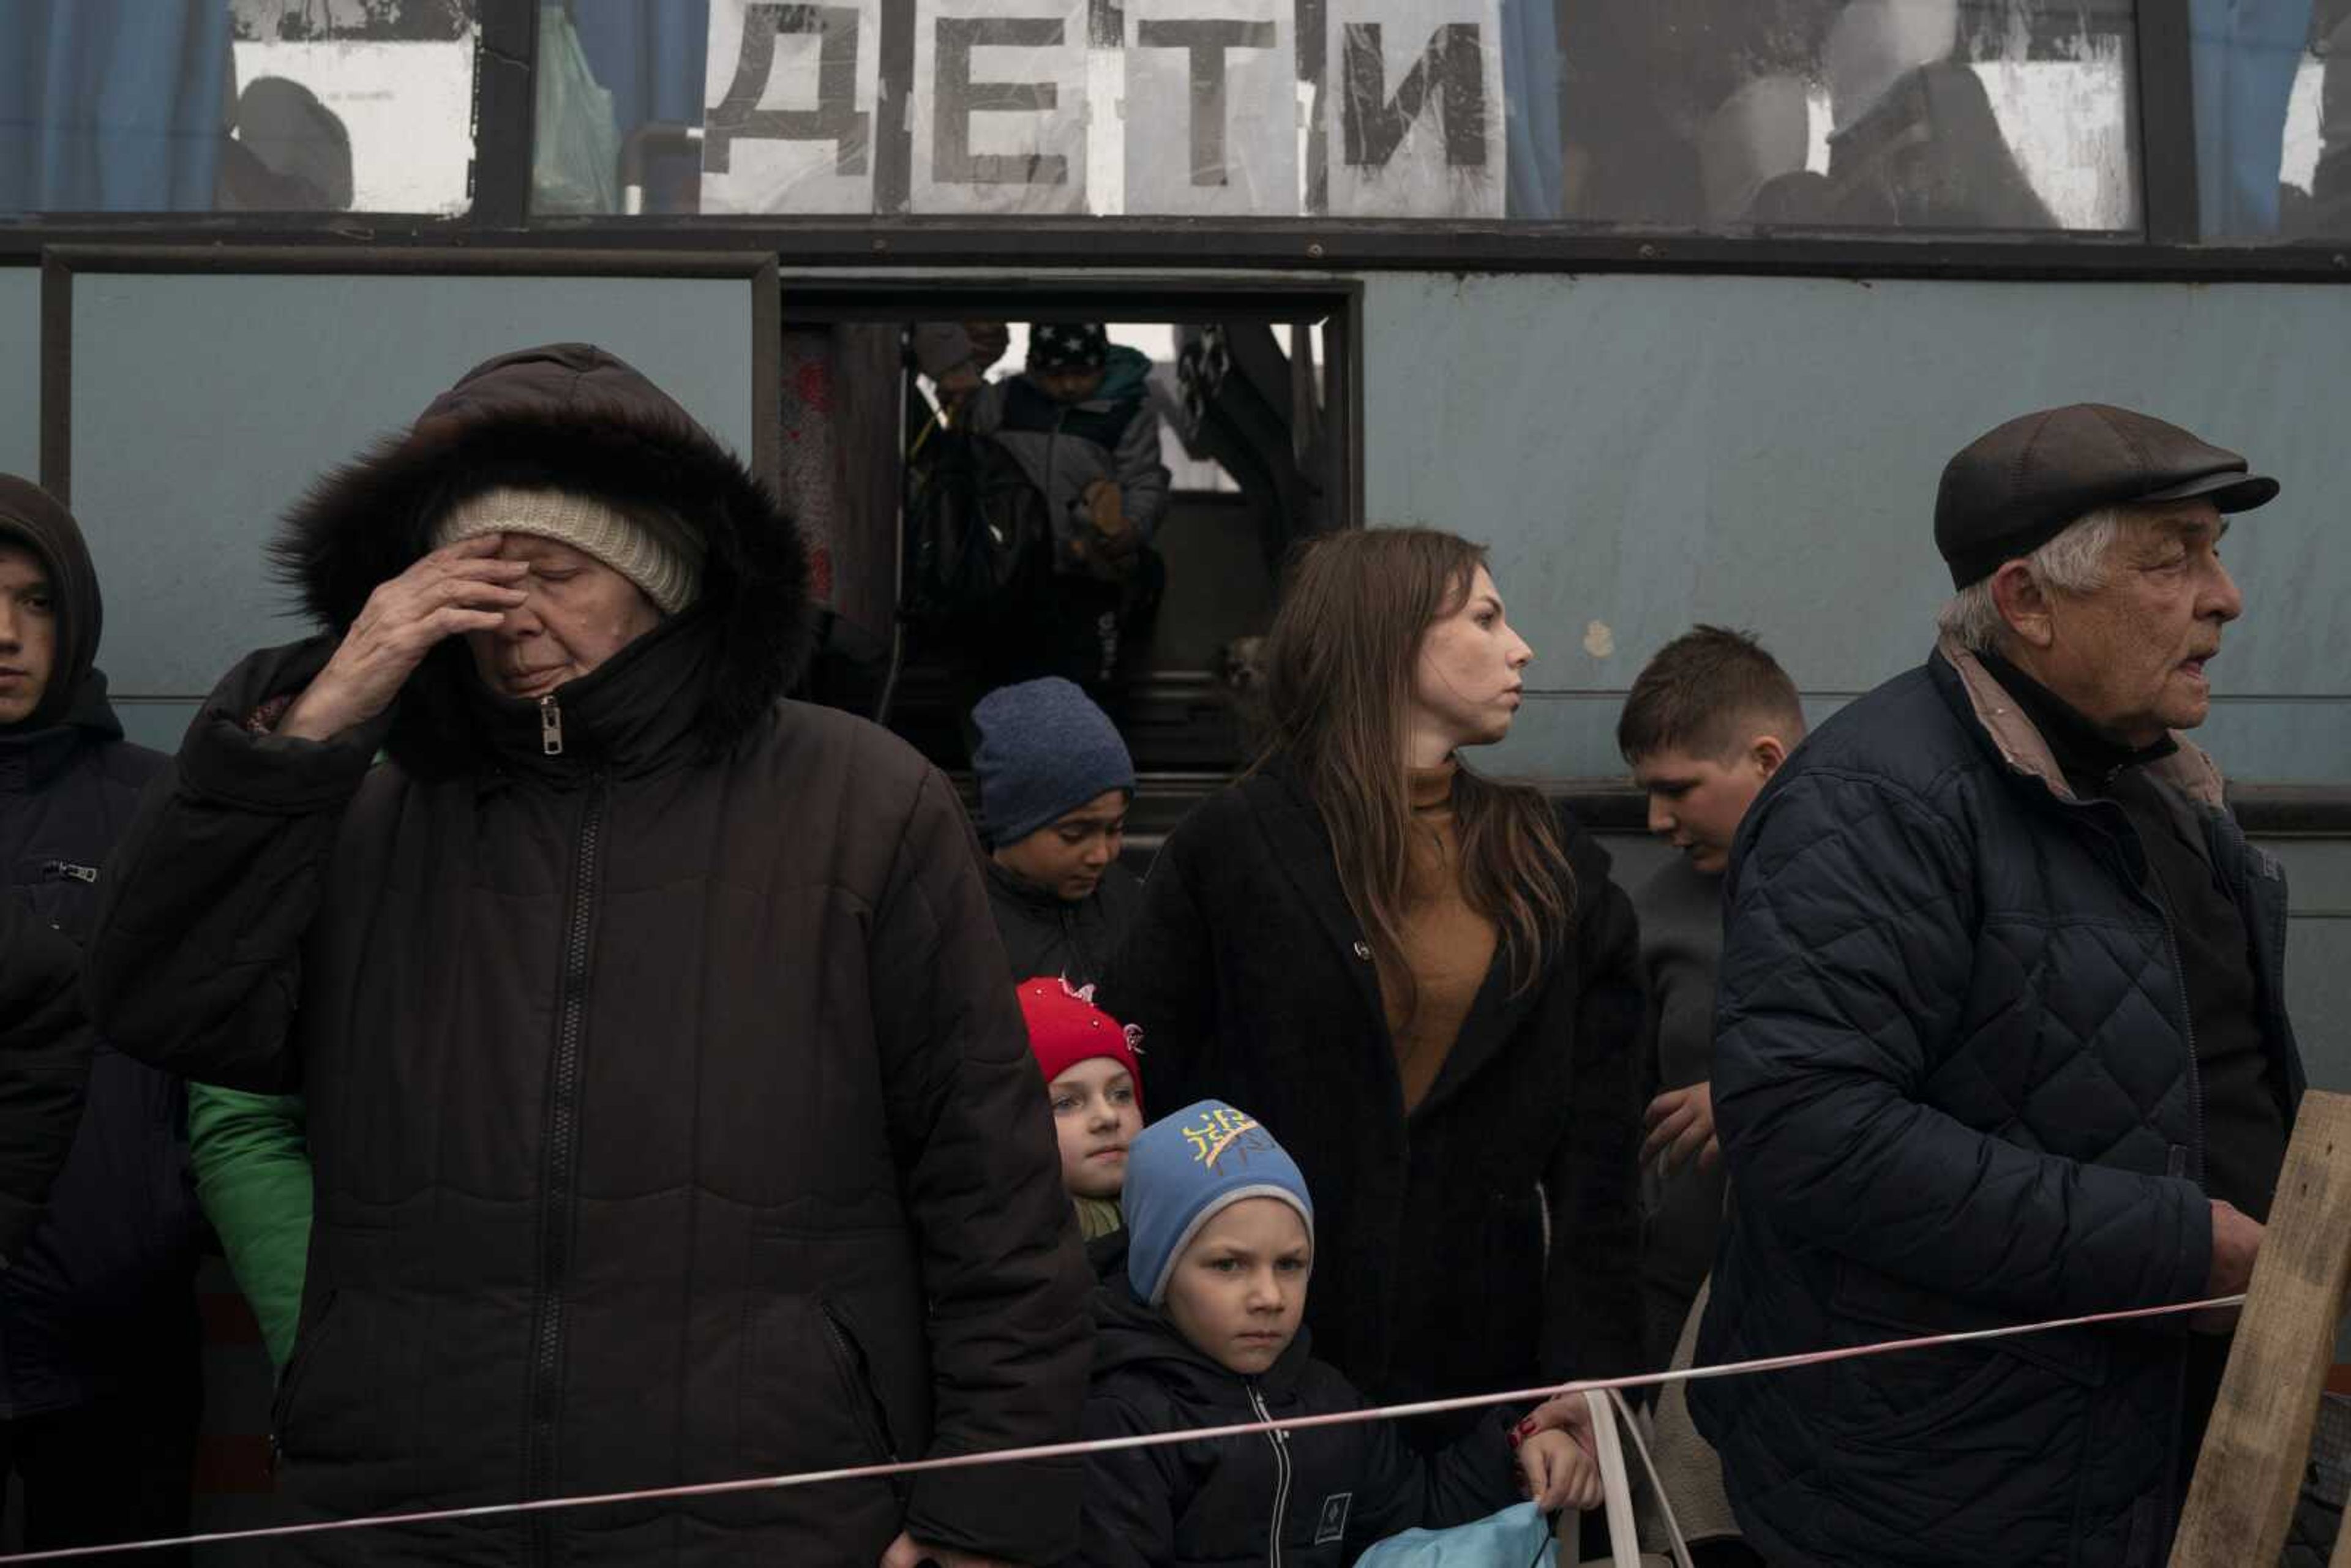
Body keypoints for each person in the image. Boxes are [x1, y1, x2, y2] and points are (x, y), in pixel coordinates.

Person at [84, 343, 1092, 1568]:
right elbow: (162, 995)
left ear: (661, 573)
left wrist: (984, 1505)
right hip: (407, 1505)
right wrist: (313, 719)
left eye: (555, 572)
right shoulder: (361, 808)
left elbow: (991, 1186)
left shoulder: (864, 801)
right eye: (472, 582)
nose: (511, 621)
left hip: (771, 1506)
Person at [1687, 403, 2304, 1567]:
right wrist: (2177, 1247)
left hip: (2148, 1447)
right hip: (1946, 1493)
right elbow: (1811, 1130)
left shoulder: (2155, 787)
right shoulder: (1874, 799)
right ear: (2026, 601)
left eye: (2215, 550)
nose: (2223, 595)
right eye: (2172, 558)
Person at [1097, 527, 1647, 1438]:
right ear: (1389, 640)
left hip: (1486, 1395)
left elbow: (1602, 1169)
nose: (1522, 648)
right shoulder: (1234, 850)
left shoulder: (1553, 863)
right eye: (1484, 617)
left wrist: (1589, 1394)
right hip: (1255, 1389)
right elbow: (1139, 1108)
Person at [1074, 1100, 1600, 1567]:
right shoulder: (1123, 1418)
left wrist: (1518, 1449)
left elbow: (1418, 1509)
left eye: (1289, 1264)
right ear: (1157, 1272)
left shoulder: (1328, 1400)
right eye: (1229, 1265)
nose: (1269, 1296)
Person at [0, 475, 206, 1564]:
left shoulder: (156, 807)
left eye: (36, 602)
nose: (5, 634)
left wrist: (166, 1216)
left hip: (117, 1344)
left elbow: (233, 1053)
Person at [1616, 626, 1806, 1370]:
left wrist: (1753, 1095)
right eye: (1648, 792)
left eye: (1678, 788)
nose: (1658, 821)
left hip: (1830, 1291)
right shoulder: (1652, 914)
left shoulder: (1878, 883)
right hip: (1676, 1286)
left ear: (1766, 760)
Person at [961, 324, 1172, 695]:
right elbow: (972, 469)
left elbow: (1144, 481)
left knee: (1086, 683)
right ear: (1031, 367)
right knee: (1005, 681)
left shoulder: (1125, 411)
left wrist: (1132, 528)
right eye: (1056, 375)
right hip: (1010, 574)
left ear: (1102, 366)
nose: (1070, 386)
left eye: (1082, 373)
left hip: (1088, 575)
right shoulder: (1002, 401)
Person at [976, 677, 1144, 986]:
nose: (1101, 855)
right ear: (1011, 824)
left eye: (1115, 828)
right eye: (1075, 834)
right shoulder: (969, 932)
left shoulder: (1128, 903)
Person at [1020, 976, 1145, 1243]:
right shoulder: (1023, 1239)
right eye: (1065, 1103)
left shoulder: (1187, 1210)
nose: (1107, 1118)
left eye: (1121, 1094)